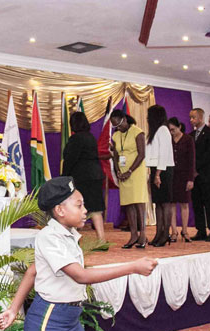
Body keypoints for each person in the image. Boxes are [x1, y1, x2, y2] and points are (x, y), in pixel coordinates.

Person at [0, 176, 157, 331]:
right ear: (60, 210)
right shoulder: (49, 237)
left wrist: (13, 308)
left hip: (71, 321)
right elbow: (80, 276)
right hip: (50, 321)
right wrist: (132, 267)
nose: (85, 211)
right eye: (79, 205)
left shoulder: (69, 234)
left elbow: (33, 270)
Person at [62, 111, 106, 243]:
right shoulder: (91, 137)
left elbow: (70, 159)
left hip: (82, 177)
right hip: (96, 175)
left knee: (77, 207)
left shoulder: (75, 139)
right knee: (96, 209)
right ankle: (102, 240)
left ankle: (74, 240)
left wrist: (64, 176)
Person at [111, 109, 148, 248]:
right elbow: (115, 155)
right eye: (115, 126)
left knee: (139, 202)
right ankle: (133, 235)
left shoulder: (137, 132)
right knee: (128, 204)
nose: (118, 127)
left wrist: (130, 171)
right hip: (123, 172)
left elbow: (142, 154)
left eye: (119, 124)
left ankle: (143, 234)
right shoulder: (116, 136)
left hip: (136, 171)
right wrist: (118, 171)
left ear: (125, 119)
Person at [190, 108, 210, 242]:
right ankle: (201, 230)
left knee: (209, 204)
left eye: (193, 117)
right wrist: (192, 170)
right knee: (197, 204)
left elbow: (209, 154)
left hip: (206, 174)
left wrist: (197, 169)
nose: (191, 120)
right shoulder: (191, 134)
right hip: (194, 176)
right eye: (190, 117)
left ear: (200, 118)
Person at [146, 105, 175, 247]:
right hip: (156, 169)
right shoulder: (155, 131)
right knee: (157, 203)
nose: (147, 118)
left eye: (149, 115)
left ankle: (165, 234)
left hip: (163, 170)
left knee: (165, 203)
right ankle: (158, 233)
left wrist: (158, 174)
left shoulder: (163, 130)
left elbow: (163, 154)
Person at [168, 117, 195, 243]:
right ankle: (174, 231)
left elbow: (191, 160)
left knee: (184, 203)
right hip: (171, 175)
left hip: (184, 176)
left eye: (173, 129)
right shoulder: (169, 139)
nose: (172, 132)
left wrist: (190, 179)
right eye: (170, 130)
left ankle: (185, 230)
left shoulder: (188, 139)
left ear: (179, 127)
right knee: (172, 203)